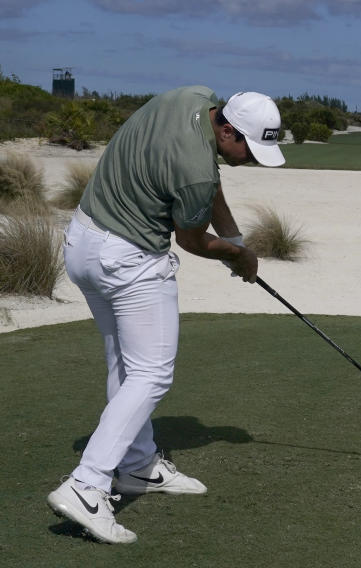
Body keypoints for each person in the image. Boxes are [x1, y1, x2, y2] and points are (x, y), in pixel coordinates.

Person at [46, 86, 285, 544]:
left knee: (125, 361)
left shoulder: (191, 97)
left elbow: (208, 184)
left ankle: (137, 466)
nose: (251, 159)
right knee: (152, 373)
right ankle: (87, 485)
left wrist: (234, 239)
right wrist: (238, 258)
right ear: (228, 128)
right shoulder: (195, 170)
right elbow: (192, 240)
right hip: (128, 259)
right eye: (249, 149)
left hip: (82, 243)